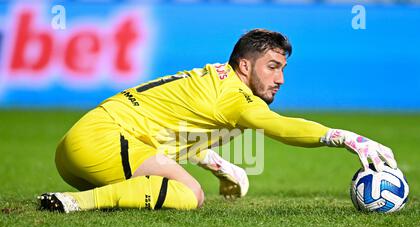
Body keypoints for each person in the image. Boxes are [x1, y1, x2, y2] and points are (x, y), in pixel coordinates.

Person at [38, 29, 397, 213]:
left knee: (176, 179)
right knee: (190, 195)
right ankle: (75, 203)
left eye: (283, 69)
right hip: (102, 144)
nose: (280, 78)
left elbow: (175, 134)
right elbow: (282, 128)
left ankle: (85, 195)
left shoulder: (211, 79)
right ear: (244, 65)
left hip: (74, 149)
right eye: (272, 67)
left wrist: (220, 166)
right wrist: (350, 139)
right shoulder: (237, 99)